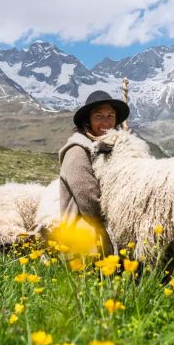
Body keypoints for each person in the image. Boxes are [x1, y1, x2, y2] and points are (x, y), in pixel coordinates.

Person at [57, 90, 130, 256]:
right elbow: (91, 206)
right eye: (98, 116)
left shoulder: (109, 147)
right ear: (87, 122)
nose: (106, 122)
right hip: (85, 243)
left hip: (105, 237)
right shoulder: (77, 150)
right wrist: (126, 211)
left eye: (110, 116)